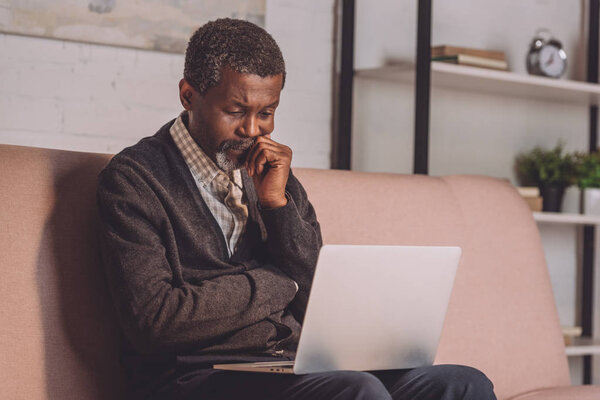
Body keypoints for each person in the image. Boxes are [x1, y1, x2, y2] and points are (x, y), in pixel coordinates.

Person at [96, 18, 496, 400]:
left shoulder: (274, 174)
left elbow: (316, 295)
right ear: (188, 96)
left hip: (286, 369)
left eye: (266, 113)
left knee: (462, 386)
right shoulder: (134, 180)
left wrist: (276, 205)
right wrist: (278, 282)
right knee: (355, 392)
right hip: (194, 378)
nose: (253, 131)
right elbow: (155, 321)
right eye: (235, 111)